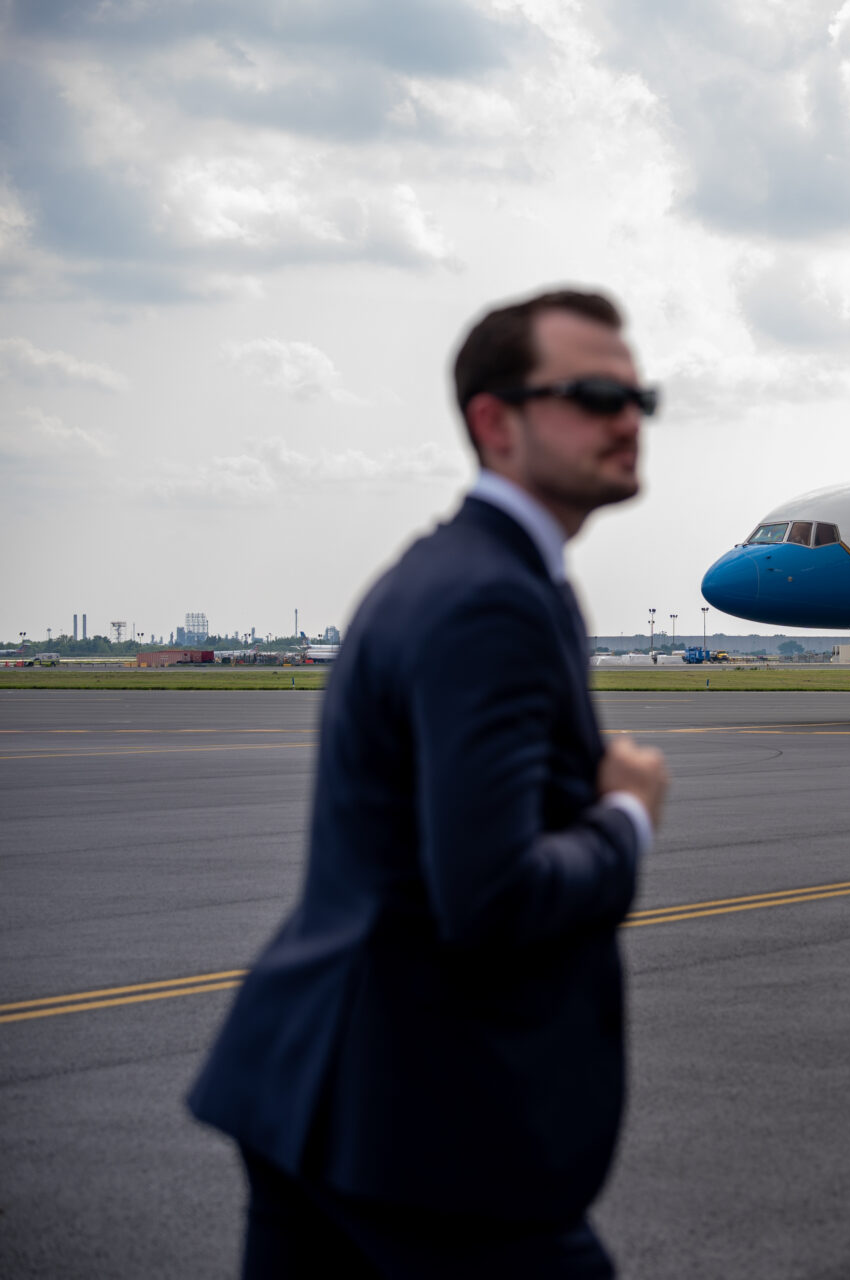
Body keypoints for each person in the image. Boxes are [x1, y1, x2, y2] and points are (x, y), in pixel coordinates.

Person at [188, 288, 670, 1277]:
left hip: (326, 1093)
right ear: (496, 422)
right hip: (427, 1120)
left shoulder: (469, 571)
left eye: (637, 396)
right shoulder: (490, 598)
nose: (627, 418)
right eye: (591, 393)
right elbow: (490, 894)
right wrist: (627, 816)